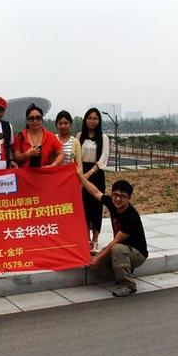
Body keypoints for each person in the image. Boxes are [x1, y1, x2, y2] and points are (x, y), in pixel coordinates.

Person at [76, 170, 148, 297]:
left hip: (138, 253)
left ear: (129, 198)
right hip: (123, 249)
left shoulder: (131, 217)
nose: (118, 199)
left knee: (116, 250)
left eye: (123, 196)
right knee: (98, 263)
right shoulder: (112, 202)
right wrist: (80, 176)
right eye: (115, 195)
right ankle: (124, 270)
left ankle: (128, 285)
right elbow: (95, 192)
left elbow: (115, 242)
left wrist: (99, 257)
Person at [76, 108, 110, 255]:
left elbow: (104, 158)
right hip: (81, 173)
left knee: (96, 207)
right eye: (89, 118)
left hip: (96, 175)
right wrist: (81, 175)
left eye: (95, 118)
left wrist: (89, 173)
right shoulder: (79, 136)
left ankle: (95, 240)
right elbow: (76, 156)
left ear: (99, 121)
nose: (92, 121)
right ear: (85, 120)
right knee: (83, 207)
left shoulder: (104, 138)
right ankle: (86, 239)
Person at [13, 103, 64, 168]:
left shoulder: (50, 136)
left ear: (42, 119)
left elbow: (61, 154)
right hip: (25, 173)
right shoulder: (20, 137)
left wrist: (52, 166)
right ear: (27, 121)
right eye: (31, 118)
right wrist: (27, 154)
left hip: (44, 173)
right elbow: (16, 158)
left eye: (38, 118)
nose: (35, 121)